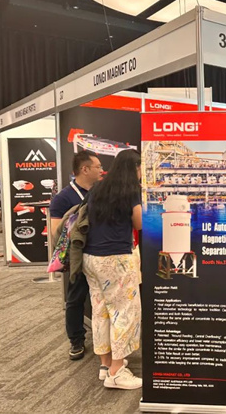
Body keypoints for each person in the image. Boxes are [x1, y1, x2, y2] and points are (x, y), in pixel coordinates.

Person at [82, 149, 142, 389]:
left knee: (101, 311)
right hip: (116, 259)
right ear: (134, 168)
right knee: (125, 311)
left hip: (91, 258)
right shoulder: (131, 191)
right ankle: (117, 372)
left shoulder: (98, 188)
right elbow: (139, 222)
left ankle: (106, 365)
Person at [49, 150, 103, 360]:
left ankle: (104, 340)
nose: (101, 170)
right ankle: (76, 340)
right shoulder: (63, 198)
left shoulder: (103, 192)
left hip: (101, 255)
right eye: (98, 166)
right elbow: (56, 231)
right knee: (75, 299)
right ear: (85, 169)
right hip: (77, 256)